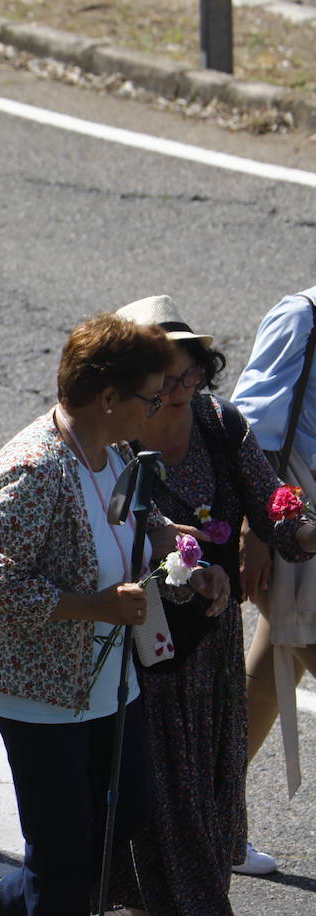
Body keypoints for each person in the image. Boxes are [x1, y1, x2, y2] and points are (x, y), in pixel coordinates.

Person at [0, 313, 228, 916]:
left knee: (127, 810)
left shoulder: (111, 451)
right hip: (39, 690)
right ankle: (39, 895)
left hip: (108, 678)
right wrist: (96, 607)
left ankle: (14, 898)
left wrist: (183, 553)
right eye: (150, 396)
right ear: (108, 397)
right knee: (65, 852)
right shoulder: (33, 469)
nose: (160, 406)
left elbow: (137, 519)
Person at [110, 296, 316, 915]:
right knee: (171, 820)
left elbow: (272, 502)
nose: (178, 389)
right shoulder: (112, 442)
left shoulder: (220, 424)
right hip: (143, 663)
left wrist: (304, 528)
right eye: (163, 378)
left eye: (190, 372)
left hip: (213, 659)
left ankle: (30, 893)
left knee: (212, 807)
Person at [231, 282, 316, 874]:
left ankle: (201, 821)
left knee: (265, 677)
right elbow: (254, 428)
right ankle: (196, 825)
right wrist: (258, 530)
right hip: (296, 525)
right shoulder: (303, 318)